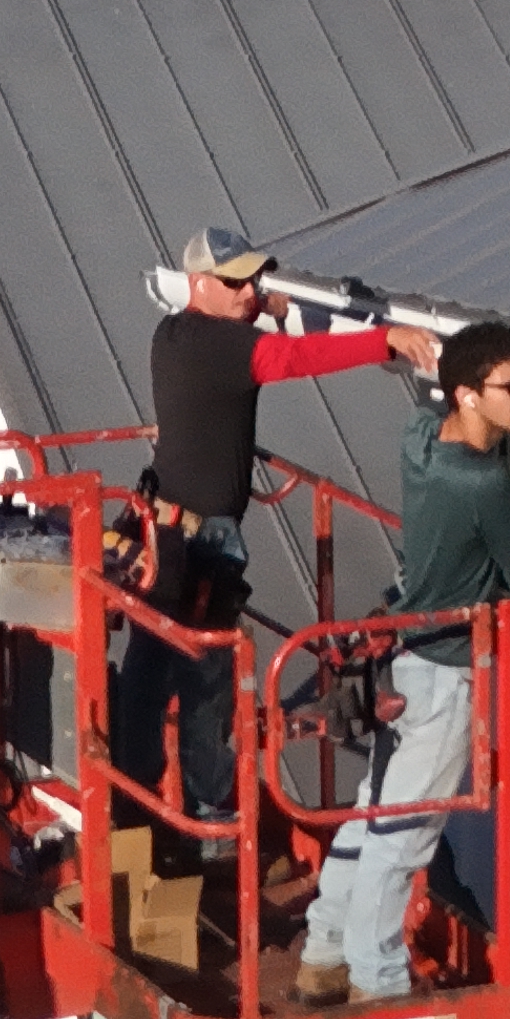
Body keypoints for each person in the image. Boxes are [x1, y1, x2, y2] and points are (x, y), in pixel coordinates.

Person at [119, 223, 390, 902]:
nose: (252, 291)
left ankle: (134, 821)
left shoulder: (175, 336)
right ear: (202, 285)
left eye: (255, 280)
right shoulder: (225, 347)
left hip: (162, 532)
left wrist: (259, 307)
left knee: (149, 682)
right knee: (212, 688)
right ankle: (212, 836)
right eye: (237, 282)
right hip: (203, 542)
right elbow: (293, 361)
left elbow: (257, 340)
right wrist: (386, 341)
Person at [304, 317, 510, 1004]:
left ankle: (323, 946)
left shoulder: (421, 445)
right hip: (446, 672)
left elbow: (421, 417)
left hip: (406, 656)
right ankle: (374, 976)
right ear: (470, 396)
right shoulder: (484, 487)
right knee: (404, 833)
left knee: (373, 808)